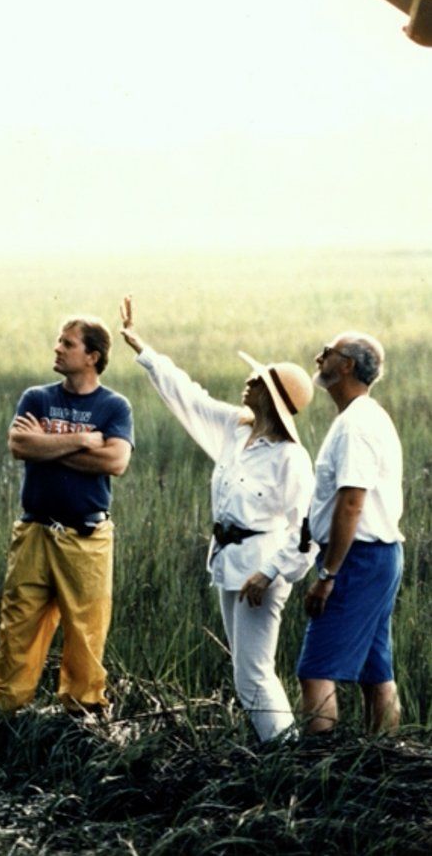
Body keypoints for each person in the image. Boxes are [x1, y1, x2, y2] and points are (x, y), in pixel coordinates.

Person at [120, 295, 314, 743]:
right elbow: (188, 395)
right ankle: (279, 748)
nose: (248, 381)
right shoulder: (235, 429)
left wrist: (268, 573)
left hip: (260, 571)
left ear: (273, 397)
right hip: (228, 562)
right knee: (244, 670)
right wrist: (141, 347)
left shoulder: (291, 458)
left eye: (259, 379)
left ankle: (286, 756)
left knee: (253, 673)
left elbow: (306, 532)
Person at [0, 316, 133, 714]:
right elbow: (19, 445)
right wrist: (81, 440)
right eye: (58, 341)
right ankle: (4, 709)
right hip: (34, 530)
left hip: (86, 536)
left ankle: (81, 715)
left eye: (67, 344)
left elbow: (115, 461)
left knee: (86, 630)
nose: (57, 348)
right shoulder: (37, 397)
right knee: (18, 624)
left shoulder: (114, 406)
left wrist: (47, 444)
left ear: (92, 356)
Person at [269, 332, 403, 735]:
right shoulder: (363, 417)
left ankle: (319, 773)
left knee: (315, 671)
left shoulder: (355, 426)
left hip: (358, 558)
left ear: (346, 365)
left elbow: (351, 503)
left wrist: (327, 576)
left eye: (328, 353)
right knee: (375, 672)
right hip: (376, 556)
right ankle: (382, 762)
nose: (318, 356)